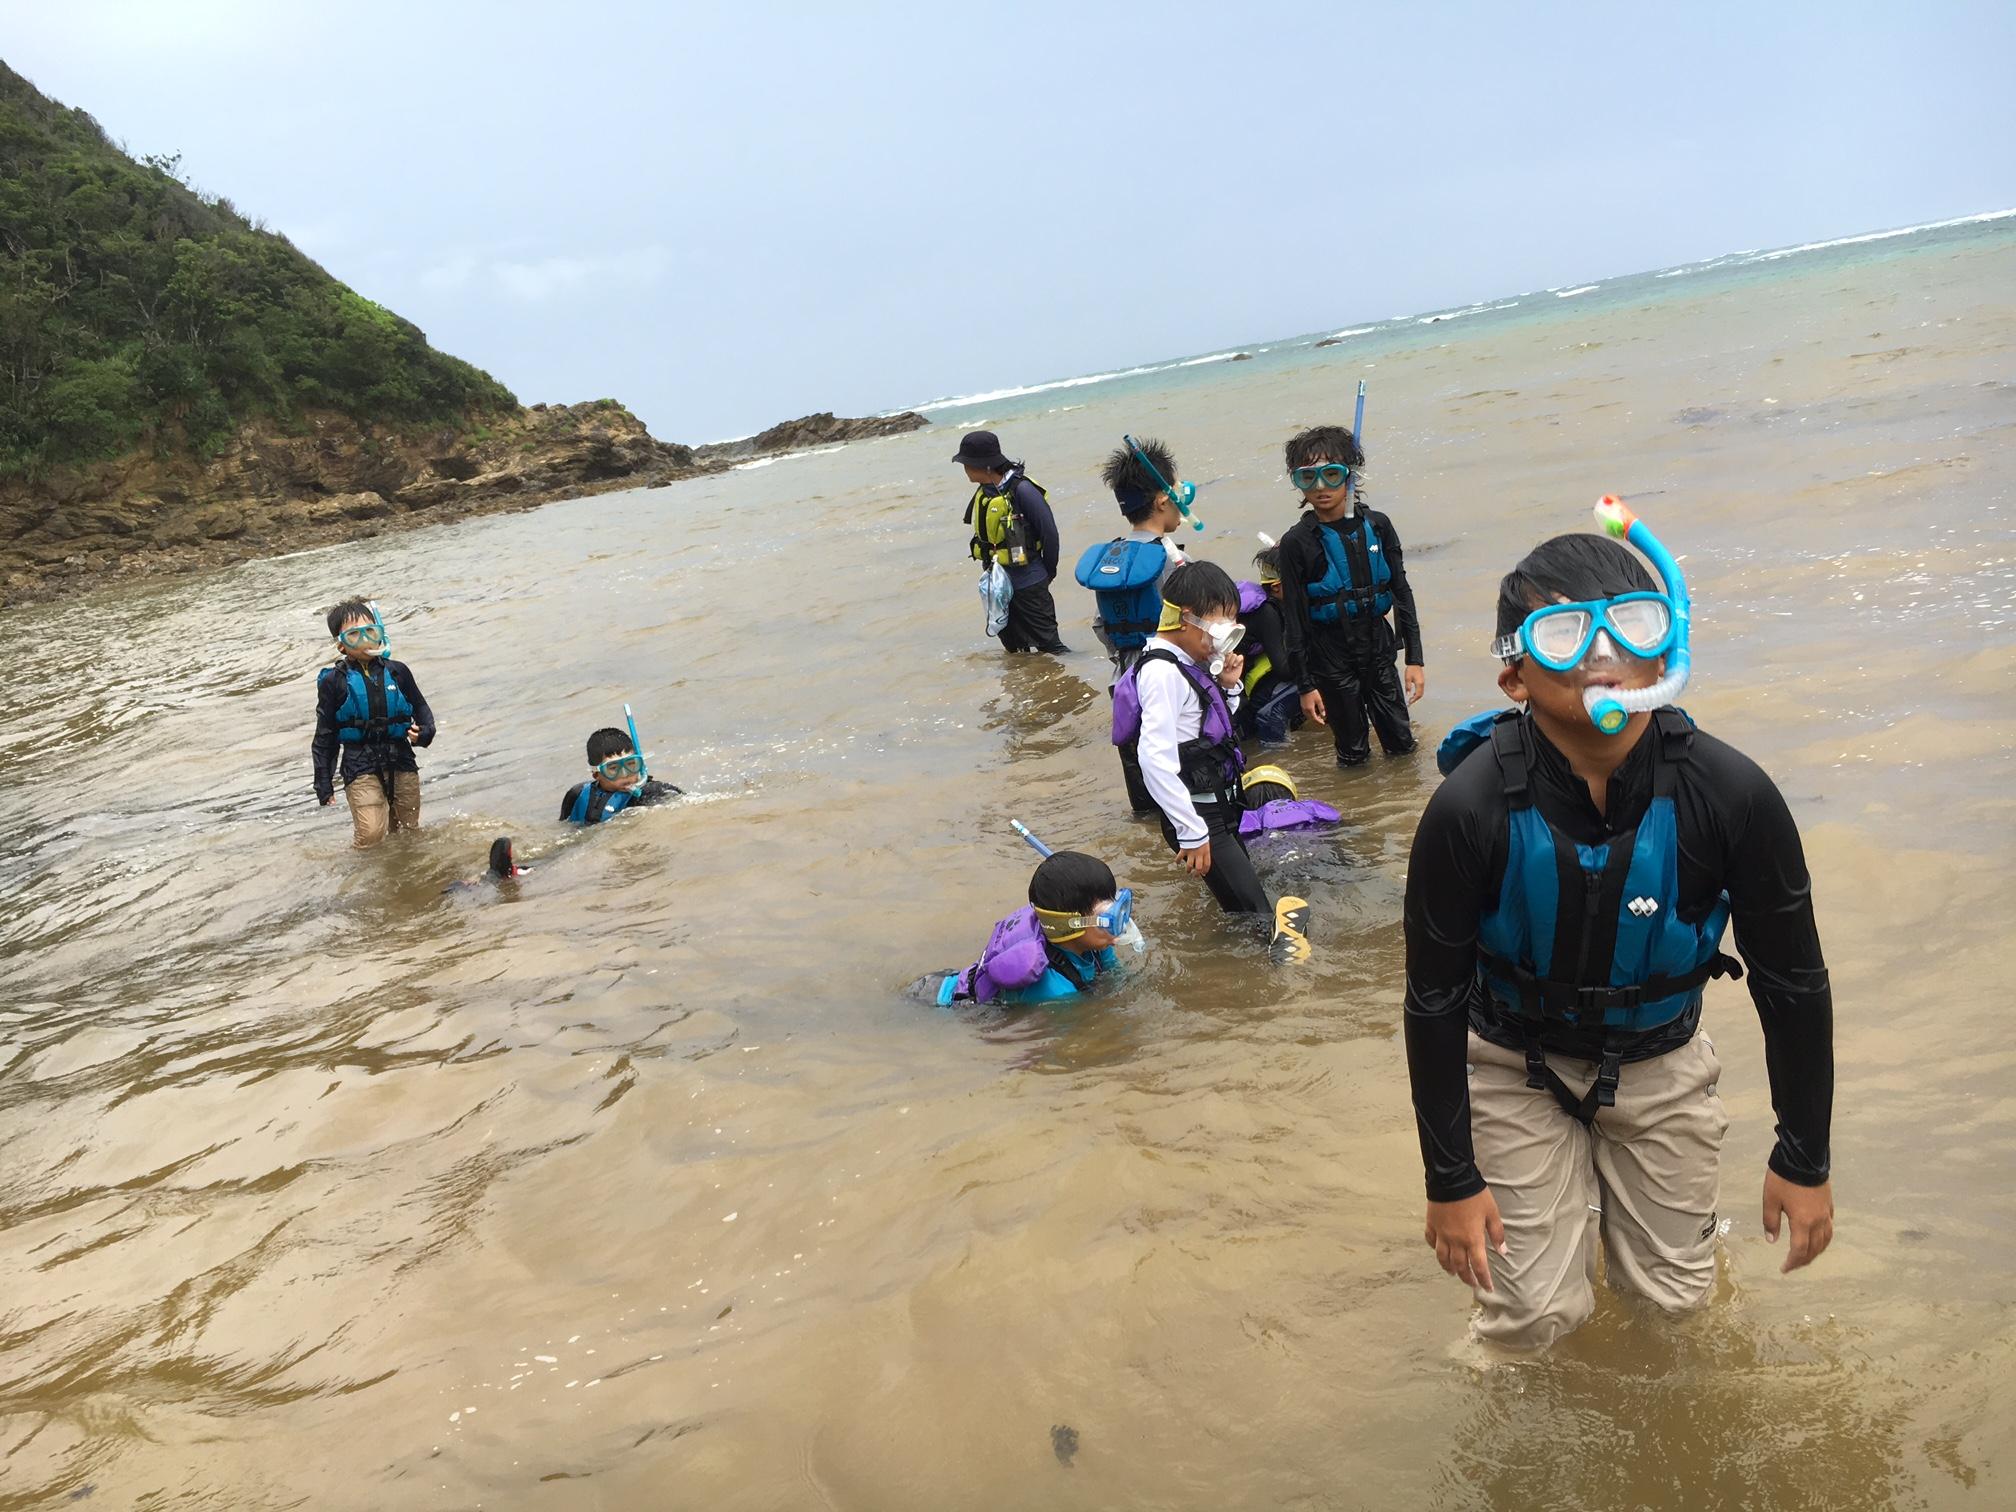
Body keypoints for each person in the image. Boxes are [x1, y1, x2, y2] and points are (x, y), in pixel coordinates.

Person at [1402, 516, 1835, 1349]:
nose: (1601, 652)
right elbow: (1431, 999)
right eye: (1564, 633)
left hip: (1659, 1062)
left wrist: (1804, 1158)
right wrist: (1449, 1179)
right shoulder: (1469, 810)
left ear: (1664, 645)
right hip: (1510, 1064)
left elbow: (1794, 983)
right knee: (1529, 1319)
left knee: (1674, 1311)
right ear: (1514, 677)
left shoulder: (1732, 795)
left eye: (1629, 622)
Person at [1111, 561, 1271, 916]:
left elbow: (1205, 730)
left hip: (1216, 807)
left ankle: (1226, 966)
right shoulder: (1161, 673)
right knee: (1257, 916)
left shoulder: (1184, 664)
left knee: (1242, 908)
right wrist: (1192, 831)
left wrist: (1228, 686)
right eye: (1220, 622)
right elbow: (1154, 759)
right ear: (1187, 618)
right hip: (1200, 816)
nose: (1225, 635)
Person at [1275, 424, 1426, 766]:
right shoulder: (1297, 542)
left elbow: (1401, 593)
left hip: (1378, 648)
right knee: (1352, 753)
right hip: (1330, 659)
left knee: (1402, 745)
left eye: (1331, 474)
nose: (1321, 487)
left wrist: (1414, 659)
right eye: (1307, 477)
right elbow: (1295, 619)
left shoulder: (1379, 526)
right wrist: (1305, 685)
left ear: (1351, 475)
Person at [1076, 436, 1189, 812]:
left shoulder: (1112, 560)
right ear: (1162, 500)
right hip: (1167, 681)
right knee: (1181, 778)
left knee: (1142, 784)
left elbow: (1101, 626)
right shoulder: (1169, 560)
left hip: (1123, 682)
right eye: (1176, 491)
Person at [932, 849, 1141, 1006]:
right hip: (945, 1002)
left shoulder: (1098, 942)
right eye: (1107, 915)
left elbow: (1115, 976)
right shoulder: (1054, 991)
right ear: (1072, 925)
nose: (1118, 923)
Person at [312, 599, 436, 849]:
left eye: (370, 631)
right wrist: (323, 783)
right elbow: (325, 736)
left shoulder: (398, 671)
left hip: (401, 758)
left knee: (407, 831)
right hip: (359, 763)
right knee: (370, 833)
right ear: (341, 645)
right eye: (355, 635)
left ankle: (401, 880)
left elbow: (422, 710)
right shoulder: (333, 681)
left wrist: (424, 733)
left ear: (380, 632)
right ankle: (363, 877)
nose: (365, 639)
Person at [955, 429, 1069, 654]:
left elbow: (1050, 533)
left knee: (1051, 647)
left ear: (985, 465)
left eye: (967, 463)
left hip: (1029, 582)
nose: (964, 468)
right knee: (1015, 651)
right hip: (998, 587)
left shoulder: (1023, 490)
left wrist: (1048, 572)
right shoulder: (984, 493)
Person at [1236, 546, 1302, 747]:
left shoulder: (1270, 604)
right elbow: (1283, 669)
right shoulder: (1266, 613)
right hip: (1241, 700)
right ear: (1276, 587)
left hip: (1241, 687)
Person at [560, 727, 682, 824]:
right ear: (596, 774)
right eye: (613, 768)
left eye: (631, 764)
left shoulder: (651, 793)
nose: (625, 774)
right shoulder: (577, 794)